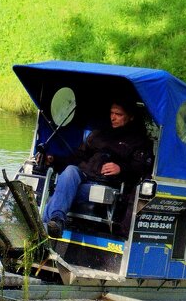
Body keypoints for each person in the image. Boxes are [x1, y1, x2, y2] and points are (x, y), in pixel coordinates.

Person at [43, 101, 153, 237]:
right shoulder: (100, 134)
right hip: (82, 175)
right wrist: (54, 159)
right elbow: (77, 157)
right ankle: (57, 221)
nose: (113, 117)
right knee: (70, 170)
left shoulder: (139, 142)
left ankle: (44, 228)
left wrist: (121, 168)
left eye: (118, 114)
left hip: (104, 185)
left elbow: (141, 169)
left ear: (131, 117)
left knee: (61, 190)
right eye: (112, 113)